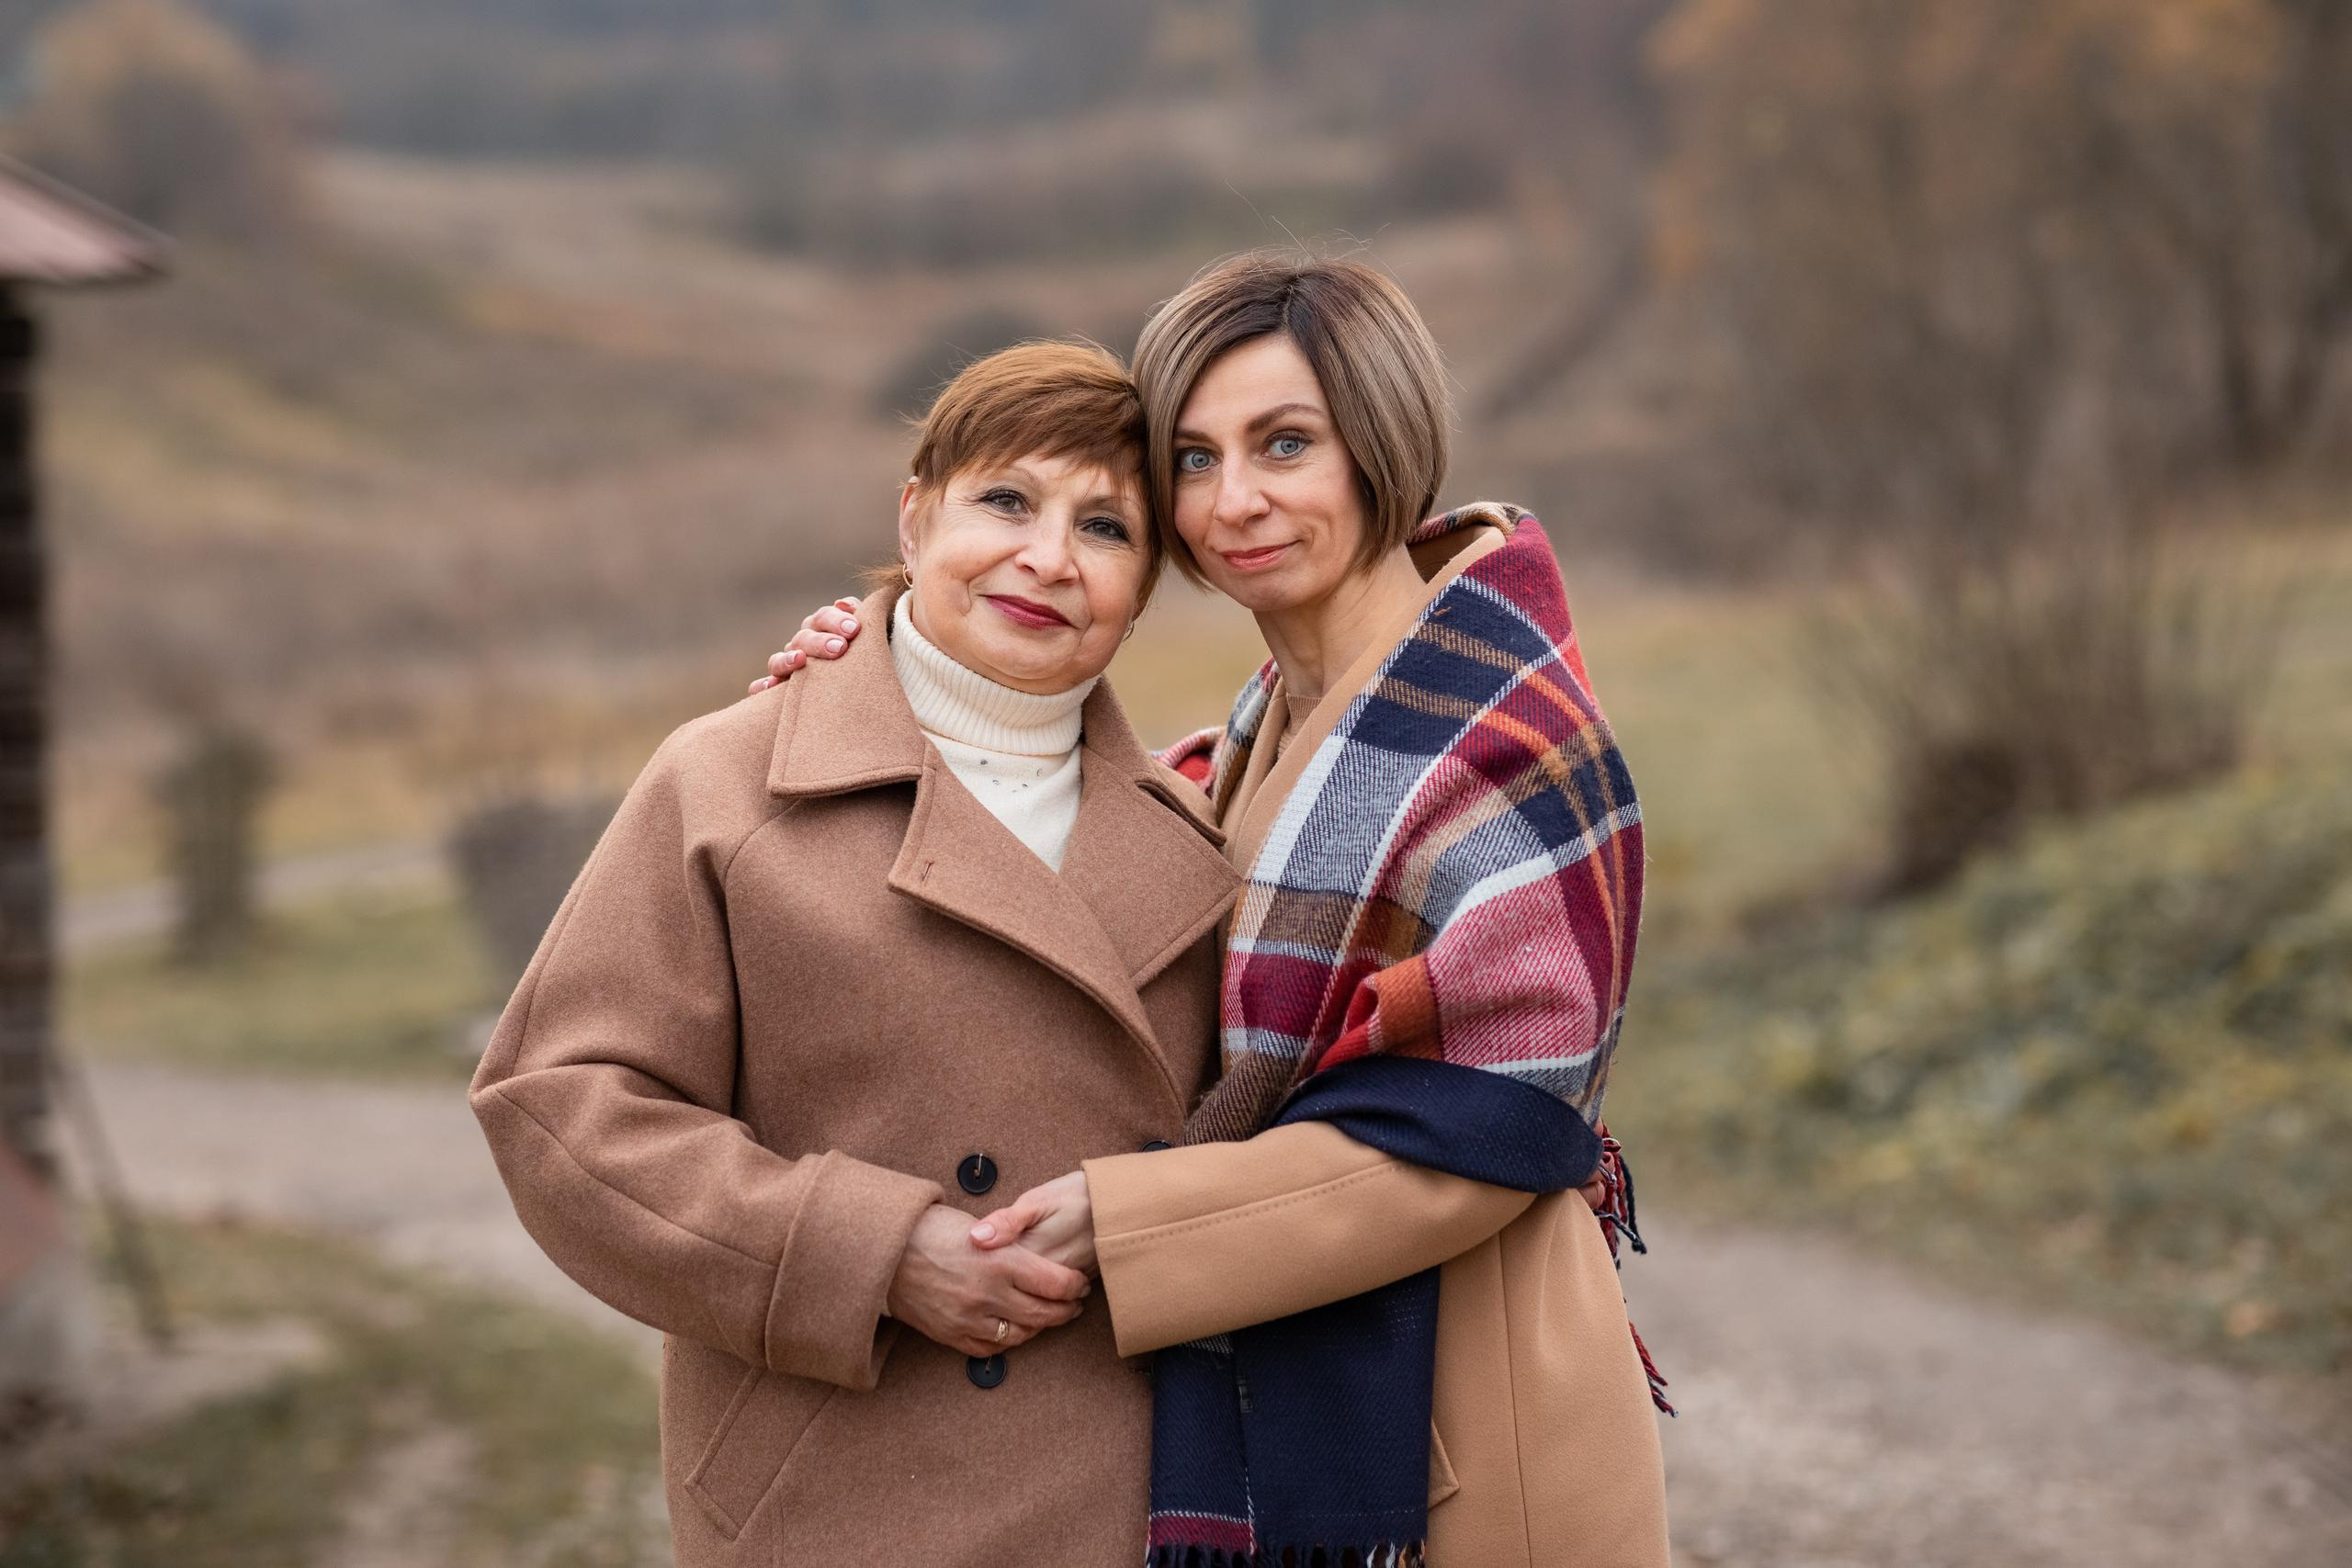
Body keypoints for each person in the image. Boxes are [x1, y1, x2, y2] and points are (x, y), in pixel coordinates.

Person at [754, 253, 1673, 1568]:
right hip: (1323, 1372)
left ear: (1380, 448)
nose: (1234, 501)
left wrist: (1136, 1225)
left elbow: (1494, 1126)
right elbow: (1079, 840)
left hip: (1466, 1403)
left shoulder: (1500, 736)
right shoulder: (1251, 738)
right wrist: (884, 670)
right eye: (1192, 459)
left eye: (1284, 444)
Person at [470, 341, 1246, 1568]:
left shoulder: (1199, 832)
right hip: (837, 1491)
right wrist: (869, 1253)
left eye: (1105, 529)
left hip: (1142, 1498)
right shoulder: (727, 777)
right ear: (915, 511)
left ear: (1144, 585)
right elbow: (561, 1106)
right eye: (1006, 500)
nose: (1047, 557)